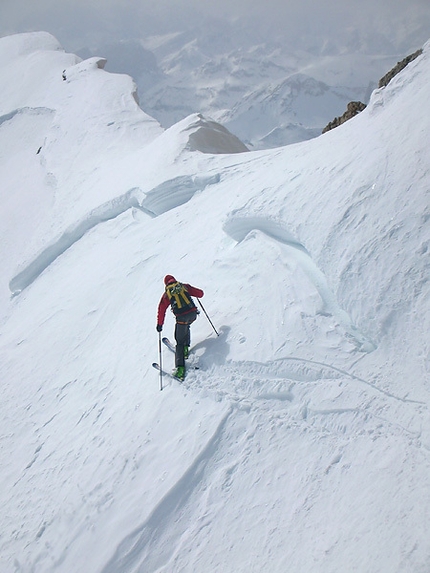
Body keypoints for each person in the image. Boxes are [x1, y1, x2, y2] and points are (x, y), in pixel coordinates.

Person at [156, 275, 204, 380]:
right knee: (187, 326)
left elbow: (161, 310)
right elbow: (200, 293)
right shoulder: (184, 287)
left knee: (179, 341)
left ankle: (180, 369)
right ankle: (186, 349)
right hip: (193, 315)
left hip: (181, 318)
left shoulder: (167, 294)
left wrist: (160, 325)